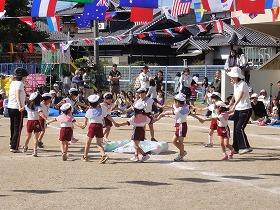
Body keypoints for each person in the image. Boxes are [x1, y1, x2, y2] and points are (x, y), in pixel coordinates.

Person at [228, 67, 253, 155]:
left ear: (237, 76)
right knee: (236, 129)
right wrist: (231, 101)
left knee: (239, 128)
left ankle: (244, 147)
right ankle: (236, 147)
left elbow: (241, 95)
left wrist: (234, 105)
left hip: (245, 109)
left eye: (232, 76)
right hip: (239, 109)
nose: (231, 78)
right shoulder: (236, 84)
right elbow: (235, 95)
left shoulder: (243, 84)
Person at [157, 93, 188, 161]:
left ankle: (181, 155)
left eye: (175, 101)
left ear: (178, 102)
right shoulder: (185, 106)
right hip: (179, 126)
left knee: (180, 142)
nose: (174, 103)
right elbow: (174, 106)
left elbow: (169, 112)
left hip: (182, 126)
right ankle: (183, 152)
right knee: (173, 141)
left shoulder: (179, 110)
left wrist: (161, 114)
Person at [81, 95, 110, 163]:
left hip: (92, 126)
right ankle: (104, 155)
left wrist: (83, 125)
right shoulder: (101, 109)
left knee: (88, 143)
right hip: (99, 126)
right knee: (99, 144)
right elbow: (107, 115)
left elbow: (85, 122)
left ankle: (85, 156)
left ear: (89, 103)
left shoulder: (88, 111)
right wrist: (114, 122)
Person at [8, 67, 29, 153]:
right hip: (17, 108)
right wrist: (20, 105)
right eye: (25, 76)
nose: (26, 78)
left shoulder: (13, 83)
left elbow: (20, 95)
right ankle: (14, 147)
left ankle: (12, 142)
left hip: (11, 107)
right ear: (22, 76)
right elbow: (17, 94)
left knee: (13, 126)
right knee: (18, 127)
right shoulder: (20, 84)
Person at [22, 92, 43, 157]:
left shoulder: (27, 106)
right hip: (36, 122)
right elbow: (40, 113)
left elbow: (21, 109)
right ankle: (35, 151)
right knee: (35, 138)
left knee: (28, 136)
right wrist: (45, 118)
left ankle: (25, 146)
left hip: (29, 122)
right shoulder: (39, 106)